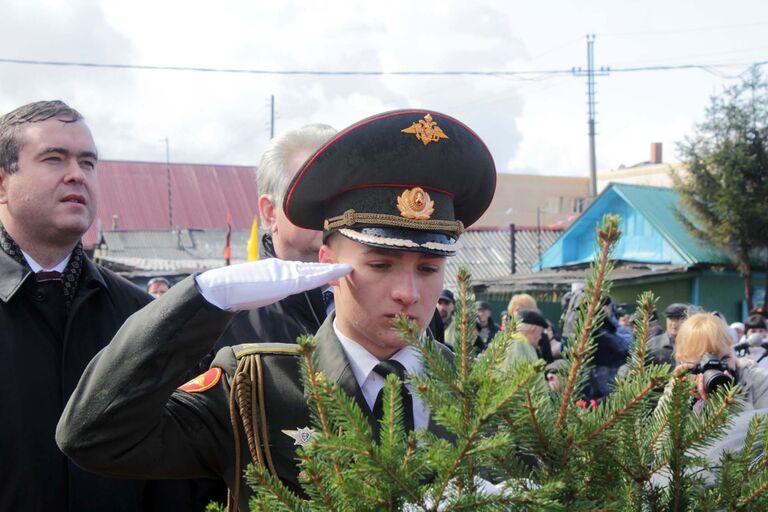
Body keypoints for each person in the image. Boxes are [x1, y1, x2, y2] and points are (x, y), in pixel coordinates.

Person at [57, 109, 497, 511]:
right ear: (329, 264)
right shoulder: (256, 387)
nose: (408, 292)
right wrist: (201, 298)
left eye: (428, 268)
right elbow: (93, 435)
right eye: (380, 265)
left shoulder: (480, 391)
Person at [0, 100, 190, 510]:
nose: (76, 175)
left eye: (88, 163)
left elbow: (173, 475)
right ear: (2, 183)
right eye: (54, 159)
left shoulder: (144, 318)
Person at [212, 124, 337, 351]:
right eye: (315, 196)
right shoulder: (226, 313)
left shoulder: (383, 298)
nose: (334, 210)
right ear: (270, 212)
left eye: (341, 196)